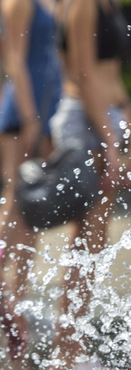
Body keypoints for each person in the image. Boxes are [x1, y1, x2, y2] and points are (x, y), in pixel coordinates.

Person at [48, 0, 131, 368]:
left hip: (109, 115)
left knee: (95, 237)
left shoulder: (109, 4)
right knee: (85, 238)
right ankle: (67, 349)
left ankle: (73, 344)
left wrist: (130, 132)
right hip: (86, 119)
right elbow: (83, 73)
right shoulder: (82, 3)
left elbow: (112, 74)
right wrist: (108, 138)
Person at [0, 0, 62, 365]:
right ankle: (7, 291)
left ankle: (16, 301)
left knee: (31, 213)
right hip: (25, 111)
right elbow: (14, 59)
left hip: (45, 106)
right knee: (16, 200)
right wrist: (29, 118)